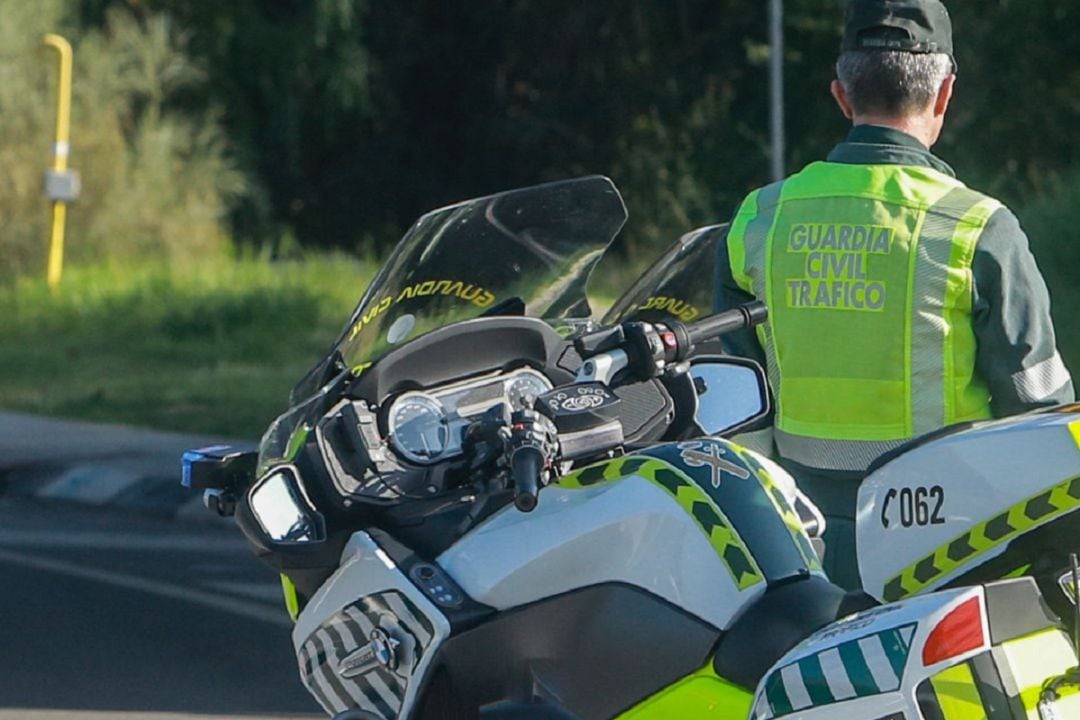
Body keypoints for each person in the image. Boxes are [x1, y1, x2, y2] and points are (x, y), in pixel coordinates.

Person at [714, 0, 1074, 589]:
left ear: (841, 96)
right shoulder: (977, 226)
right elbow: (1041, 414)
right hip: (950, 550)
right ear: (945, 94)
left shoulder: (759, 219)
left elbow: (734, 402)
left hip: (800, 550)